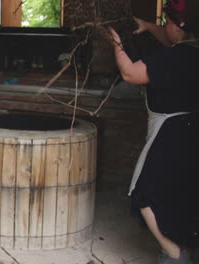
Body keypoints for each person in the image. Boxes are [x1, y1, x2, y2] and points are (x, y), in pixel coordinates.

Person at [107, 0, 199, 263]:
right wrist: (148, 26)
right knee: (181, 191)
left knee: (144, 192)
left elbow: (130, 73)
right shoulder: (191, 50)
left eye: (166, 22)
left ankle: (174, 254)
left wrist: (115, 41)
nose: (164, 26)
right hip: (191, 128)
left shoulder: (176, 57)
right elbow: (172, 42)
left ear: (179, 28)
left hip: (172, 131)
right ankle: (183, 247)